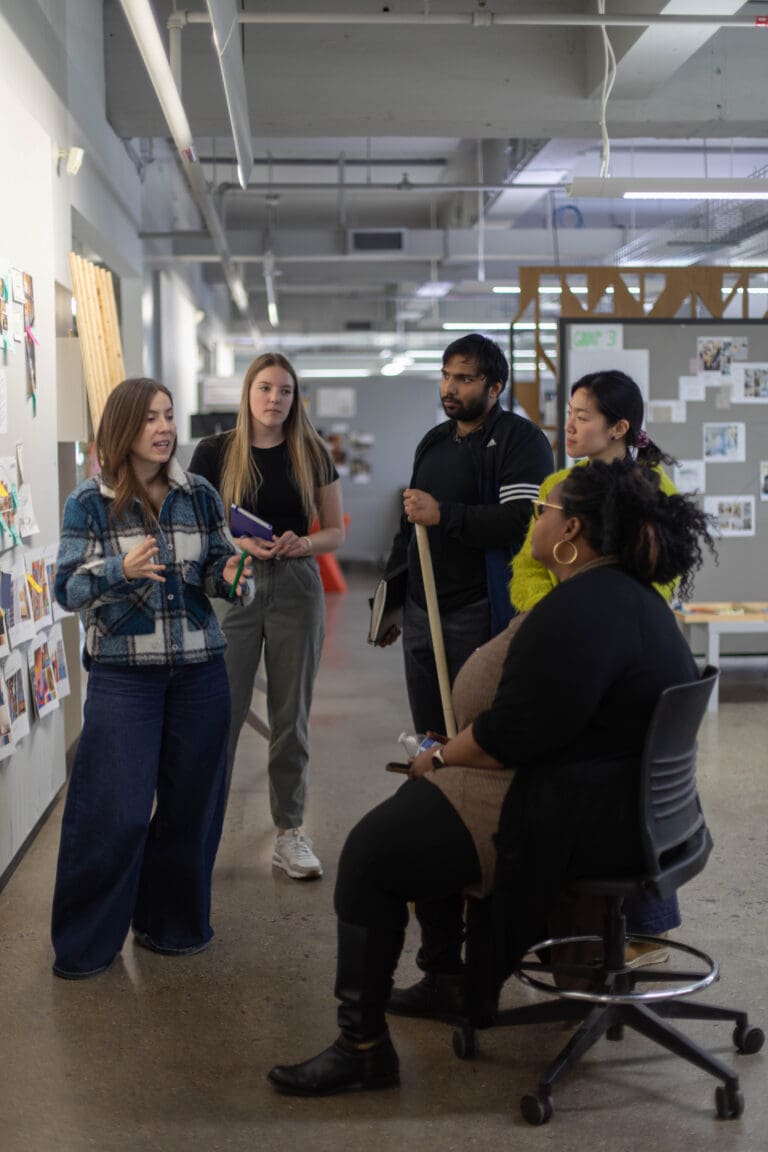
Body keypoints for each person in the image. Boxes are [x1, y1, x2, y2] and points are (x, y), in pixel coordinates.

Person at [267, 458, 715, 1096]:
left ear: (573, 531)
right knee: (414, 809)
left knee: (370, 853)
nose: (536, 519)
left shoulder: (583, 611)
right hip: (631, 805)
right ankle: (447, 978)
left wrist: (443, 757)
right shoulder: (629, 596)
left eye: (545, 512)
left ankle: (361, 1046)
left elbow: (512, 736)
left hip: (578, 812)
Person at [388, 367, 675, 1022]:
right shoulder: (554, 486)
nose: (568, 425)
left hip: (604, 680)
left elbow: (647, 581)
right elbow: (527, 567)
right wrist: (551, 621)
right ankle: (516, 952)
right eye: (567, 412)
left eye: (582, 415)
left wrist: (578, 620)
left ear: (619, 427)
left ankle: (550, 945)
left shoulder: (650, 490)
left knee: (449, 795)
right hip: (557, 643)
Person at [51, 377, 252, 979]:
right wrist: (120, 567)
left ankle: (172, 927)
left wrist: (233, 575)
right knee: (116, 813)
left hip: (200, 673)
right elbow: (65, 587)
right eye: (150, 419)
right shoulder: (90, 501)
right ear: (124, 427)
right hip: (124, 678)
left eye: (168, 417)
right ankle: (86, 947)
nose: (164, 429)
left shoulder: (201, 495)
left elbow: (216, 564)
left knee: (193, 808)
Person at [189, 353, 345, 880]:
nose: (274, 399)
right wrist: (237, 540)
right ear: (248, 393)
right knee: (219, 713)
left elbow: (335, 533)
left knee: (289, 717)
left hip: (297, 585)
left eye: (284, 390)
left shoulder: (312, 451)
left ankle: (290, 832)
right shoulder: (216, 452)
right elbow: (196, 527)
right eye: (264, 388)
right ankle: (199, 831)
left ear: (294, 397)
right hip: (233, 584)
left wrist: (305, 540)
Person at [381, 333, 553, 734]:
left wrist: (443, 513)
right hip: (421, 609)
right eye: (445, 376)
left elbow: (518, 521)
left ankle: (473, 794)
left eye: (464, 378)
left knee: (476, 721)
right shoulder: (434, 441)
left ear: (495, 387)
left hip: (478, 608)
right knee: (429, 728)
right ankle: (431, 790)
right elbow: (408, 526)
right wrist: (389, 601)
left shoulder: (521, 441)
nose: (450, 387)